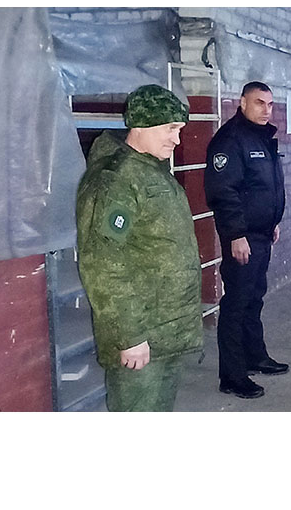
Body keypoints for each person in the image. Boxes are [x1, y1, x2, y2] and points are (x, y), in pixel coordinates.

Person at [76, 85, 203, 412]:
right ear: (142, 125)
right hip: (141, 336)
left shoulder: (150, 169)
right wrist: (129, 336)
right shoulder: (117, 179)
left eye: (179, 129)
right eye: (171, 128)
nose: (177, 139)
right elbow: (102, 263)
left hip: (166, 331)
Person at [205, 81, 289, 399]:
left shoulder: (261, 136)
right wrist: (236, 235)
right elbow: (223, 192)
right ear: (242, 103)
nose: (266, 110)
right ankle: (232, 376)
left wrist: (272, 223)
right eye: (259, 103)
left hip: (261, 234)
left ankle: (255, 357)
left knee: (255, 298)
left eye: (270, 104)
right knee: (236, 304)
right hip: (243, 238)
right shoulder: (230, 140)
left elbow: (263, 187)